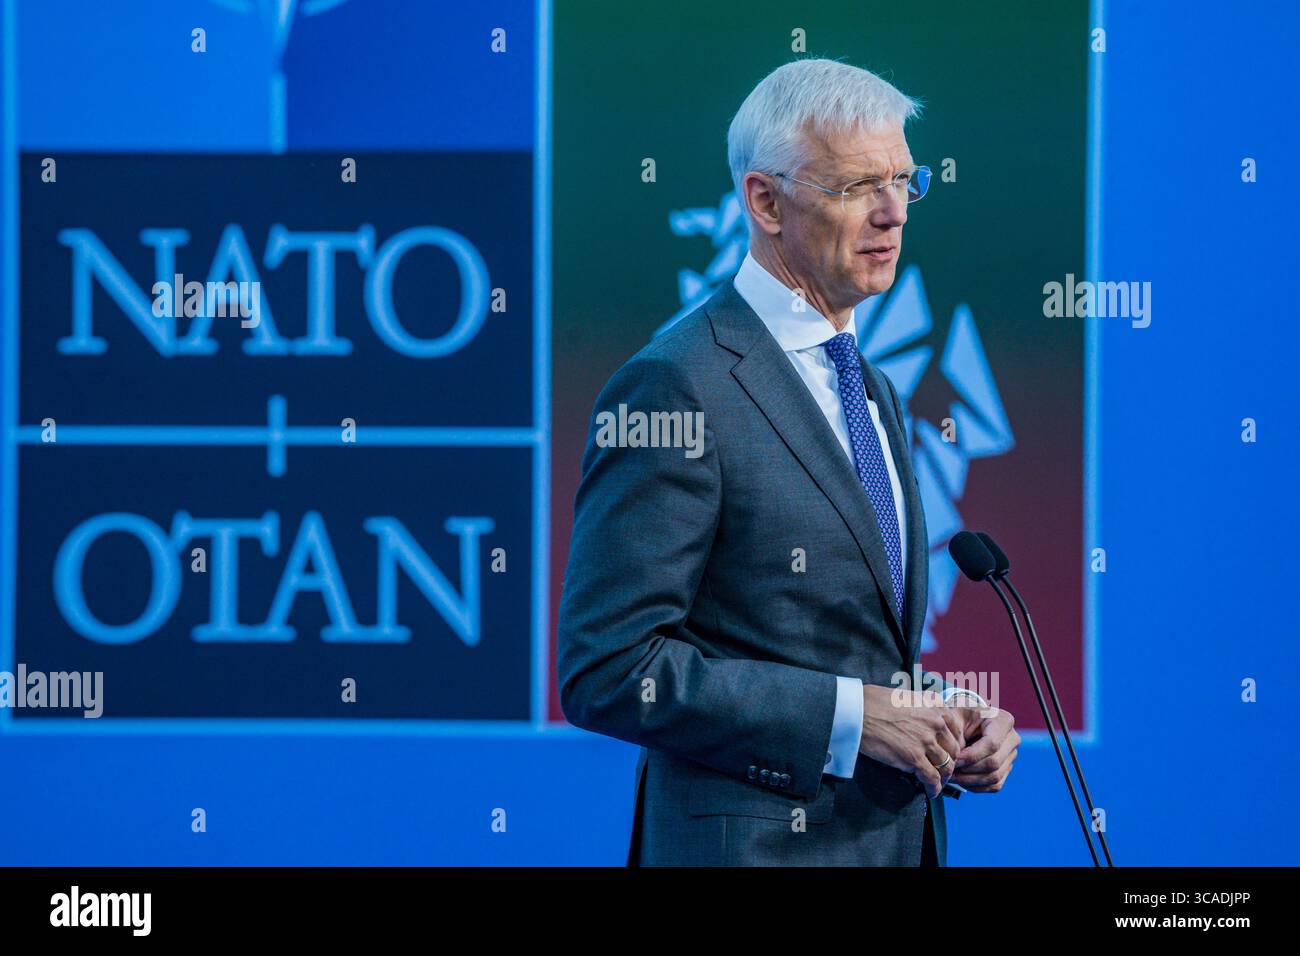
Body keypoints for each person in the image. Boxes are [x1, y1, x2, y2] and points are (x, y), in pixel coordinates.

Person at [558, 58, 1019, 866]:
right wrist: (853, 719)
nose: (891, 214)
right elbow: (608, 665)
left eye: (904, 182)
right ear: (764, 202)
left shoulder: (865, 383)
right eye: (855, 188)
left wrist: (945, 719)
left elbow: (846, 648)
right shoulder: (676, 384)